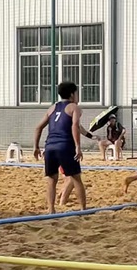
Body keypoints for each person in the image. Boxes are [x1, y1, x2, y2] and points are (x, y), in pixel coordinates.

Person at [33, 81, 86, 214]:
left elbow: (38, 127)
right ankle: (83, 209)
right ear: (72, 94)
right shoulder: (74, 107)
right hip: (65, 145)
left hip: (50, 146)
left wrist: (36, 146)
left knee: (52, 179)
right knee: (76, 178)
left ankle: (51, 209)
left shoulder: (52, 108)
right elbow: (75, 126)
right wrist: (78, 146)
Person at [58, 124, 101, 206]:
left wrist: (93, 137)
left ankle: (61, 196)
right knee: (71, 178)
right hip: (65, 151)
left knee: (68, 177)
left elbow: (84, 132)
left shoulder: (73, 122)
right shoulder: (68, 122)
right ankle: (62, 201)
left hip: (67, 151)